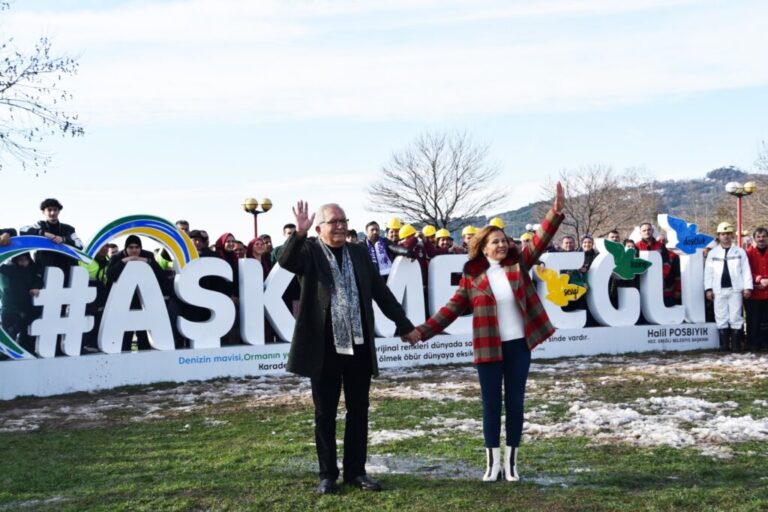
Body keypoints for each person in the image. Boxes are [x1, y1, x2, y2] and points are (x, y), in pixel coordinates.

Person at [413, 182, 565, 482]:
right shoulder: (472, 278)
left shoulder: (518, 265)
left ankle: (511, 464)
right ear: (483, 247)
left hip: (518, 346)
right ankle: (493, 464)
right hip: (488, 349)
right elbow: (450, 310)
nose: (501, 245)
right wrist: (421, 332)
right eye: (495, 242)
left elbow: (540, 240)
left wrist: (555, 211)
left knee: (515, 404)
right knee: (491, 405)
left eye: (504, 240)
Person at [278, 201, 416, 495]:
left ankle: (356, 472)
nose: (341, 226)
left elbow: (381, 292)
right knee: (325, 414)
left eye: (344, 221)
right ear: (319, 228)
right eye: (334, 222)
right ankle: (327, 474)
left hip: (359, 346)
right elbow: (285, 261)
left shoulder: (358, 252)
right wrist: (299, 234)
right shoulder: (310, 251)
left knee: (359, 410)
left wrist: (403, 324)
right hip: (323, 349)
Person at [106, 235, 169, 352]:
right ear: (126, 248)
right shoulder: (117, 257)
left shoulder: (148, 255)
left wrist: (147, 261)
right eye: (131, 247)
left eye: (137, 247)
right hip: (124, 301)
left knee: (144, 334)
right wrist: (124, 261)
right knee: (125, 335)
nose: (134, 250)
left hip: (143, 300)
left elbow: (161, 275)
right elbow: (110, 275)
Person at [704, 222, 753, 352]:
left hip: (735, 290)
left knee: (736, 317)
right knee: (721, 317)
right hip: (718, 290)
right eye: (723, 234)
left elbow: (746, 270)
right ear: (718, 236)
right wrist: (708, 289)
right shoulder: (713, 253)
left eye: (728, 234)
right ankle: (724, 346)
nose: (726, 236)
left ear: (732, 235)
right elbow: (708, 273)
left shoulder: (740, 252)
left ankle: (736, 346)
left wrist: (747, 287)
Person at [20, 198, 83, 278]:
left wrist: (63, 239)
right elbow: (23, 230)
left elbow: (80, 245)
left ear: (59, 211)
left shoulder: (68, 229)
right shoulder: (40, 225)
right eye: (49, 210)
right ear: (43, 212)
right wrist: (44, 233)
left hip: (66, 272)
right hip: (44, 272)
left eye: (55, 210)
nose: (52, 213)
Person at [746, 227, 768, 351]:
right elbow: (745, 270)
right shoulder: (748, 253)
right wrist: (758, 279)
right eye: (758, 237)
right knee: (754, 320)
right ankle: (753, 343)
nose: (761, 239)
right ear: (754, 238)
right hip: (754, 293)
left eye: (764, 236)